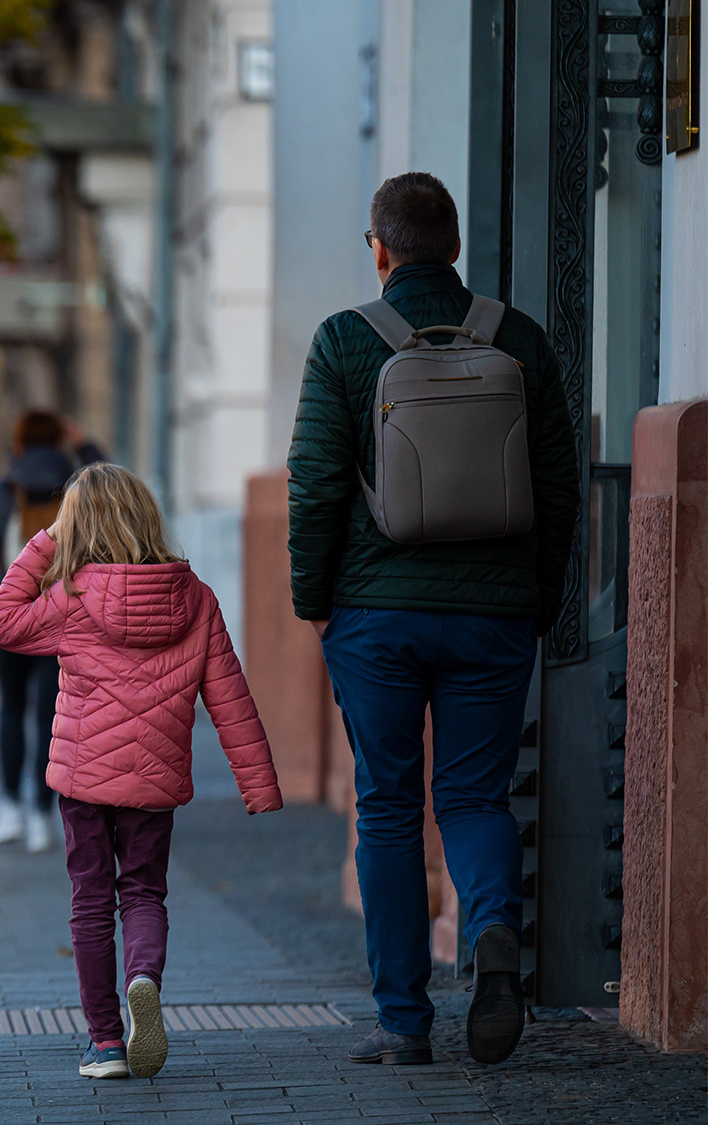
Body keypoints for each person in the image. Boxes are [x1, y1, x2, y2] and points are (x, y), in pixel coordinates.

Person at [288, 172, 579, 1067]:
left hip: (377, 614)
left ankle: (404, 1022)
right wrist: (537, 599)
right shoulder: (518, 337)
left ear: (378, 247)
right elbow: (559, 486)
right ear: (454, 246)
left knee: (386, 806)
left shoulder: (345, 341)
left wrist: (314, 600)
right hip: (492, 612)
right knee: (472, 796)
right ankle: (492, 935)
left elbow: (317, 486)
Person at [0, 463, 282, 1082]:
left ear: (75, 530)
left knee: (90, 901)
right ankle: (143, 978)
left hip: (84, 778)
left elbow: (4, 621)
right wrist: (258, 785)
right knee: (143, 891)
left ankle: (105, 1044)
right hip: (154, 781)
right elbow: (230, 697)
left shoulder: (70, 595)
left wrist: (46, 541)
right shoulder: (195, 597)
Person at [0, 410, 105, 851]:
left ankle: (9, 810)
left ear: (19, 443)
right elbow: (115, 489)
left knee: (10, 707)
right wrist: (83, 445)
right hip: (64, 616)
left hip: (10, 616)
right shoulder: (83, 487)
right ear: (59, 441)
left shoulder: (1, 489)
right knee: (51, 712)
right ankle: (44, 815)